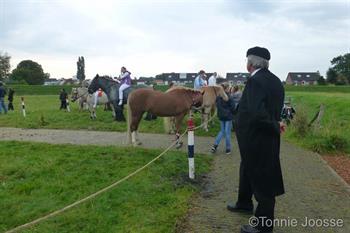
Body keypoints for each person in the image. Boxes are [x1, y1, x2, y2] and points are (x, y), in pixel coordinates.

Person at [227, 47, 286, 233]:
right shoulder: (276, 81)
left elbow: (257, 113)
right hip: (264, 137)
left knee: (262, 179)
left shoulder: (255, 81)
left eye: (246, 60)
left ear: (250, 64)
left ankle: (263, 226)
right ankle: (244, 202)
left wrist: (275, 125)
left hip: (256, 138)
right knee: (246, 168)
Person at [210, 83, 236, 154]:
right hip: (228, 117)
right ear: (227, 88)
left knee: (222, 131)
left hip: (221, 116)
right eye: (229, 87)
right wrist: (234, 114)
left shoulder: (218, 97)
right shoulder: (229, 97)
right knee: (227, 133)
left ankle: (215, 146)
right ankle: (228, 149)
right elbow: (233, 108)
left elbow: (216, 105)